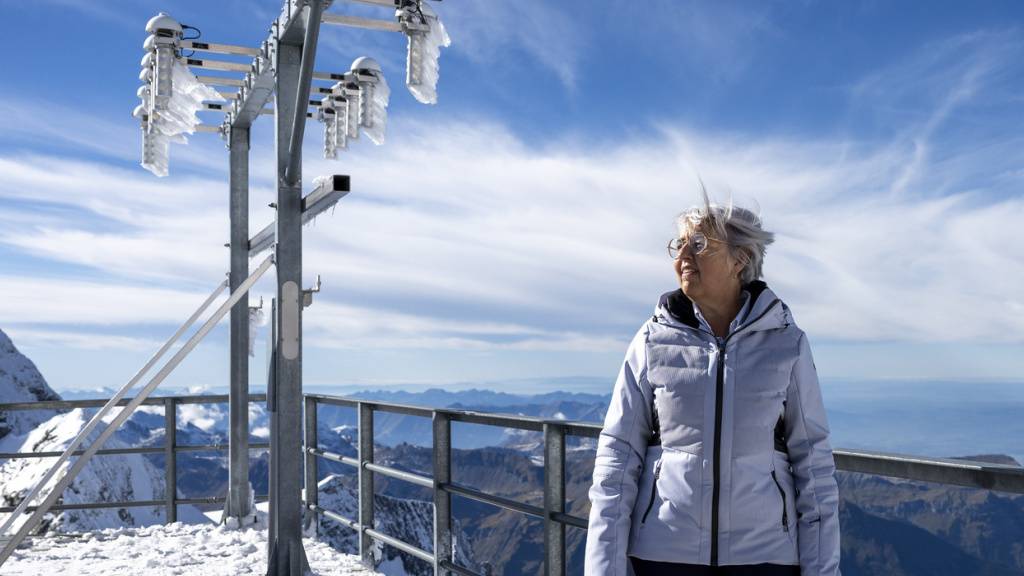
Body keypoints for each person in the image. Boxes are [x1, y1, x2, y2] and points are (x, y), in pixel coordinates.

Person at [584, 195, 841, 575]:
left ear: (740, 259)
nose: (683, 254)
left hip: (763, 559)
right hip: (664, 556)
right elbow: (617, 460)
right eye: (679, 244)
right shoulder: (652, 341)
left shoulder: (786, 343)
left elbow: (814, 464)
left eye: (699, 243)